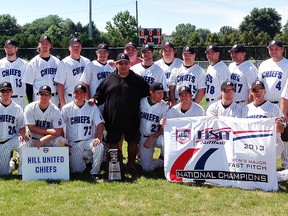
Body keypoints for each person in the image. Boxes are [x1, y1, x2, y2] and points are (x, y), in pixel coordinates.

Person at [90, 53, 150, 171]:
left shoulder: (137, 79)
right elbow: (99, 94)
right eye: (120, 63)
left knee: (132, 141)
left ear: (129, 65)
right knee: (113, 141)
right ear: (116, 65)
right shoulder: (109, 79)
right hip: (113, 117)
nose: (123, 66)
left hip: (131, 117)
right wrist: (95, 99)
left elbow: (148, 92)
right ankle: (115, 164)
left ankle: (131, 164)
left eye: (125, 63)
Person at [61, 84, 104, 180]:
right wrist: (64, 142)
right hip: (74, 143)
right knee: (76, 171)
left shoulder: (91, 107)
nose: (79, 94)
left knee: (99, 146)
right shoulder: (66, 108)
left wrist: (98, 138)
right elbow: (60, 126)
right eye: (77, 92)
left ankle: (95, 172)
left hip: (88, 141)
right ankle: (86, 162)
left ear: (85, 94)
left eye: (81, 92)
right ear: (73, 94)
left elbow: (100, 124)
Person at [242, 80, 285, 158]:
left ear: (265, 91)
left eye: (260, 90)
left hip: (271, 144)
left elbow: (281, 130)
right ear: (251, 92)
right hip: (253, 144)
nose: (258, 93)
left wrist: (278, 125)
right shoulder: (246, 109)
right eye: (255, 90)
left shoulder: (274, 108)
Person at [139, 82, 169, 172]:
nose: (161, 95)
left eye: (162, 93)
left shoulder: (164, 106)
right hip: (143, 137)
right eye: (158, 93)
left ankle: (166, 159)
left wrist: (152, 137)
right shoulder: (142, 101)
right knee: (146, 168)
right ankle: (161, 162)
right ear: (151, 93)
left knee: (166, 141)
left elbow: (163, 128)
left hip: (157, 136)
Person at [0, 81, 28, 175]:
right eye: (3, 91)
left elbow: (21, 126)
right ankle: (12, 164)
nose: (5, 93)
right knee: (3, 173)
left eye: (8, 91)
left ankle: (22, 173)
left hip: (11, 140)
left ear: (12, 92)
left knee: (25, 143)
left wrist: (22, 134)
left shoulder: (17, 108)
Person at [23, 35, 60, 106]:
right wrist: (30, 103)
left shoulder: (57, 62)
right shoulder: (33, 62)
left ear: (51, 45)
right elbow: (28, 85)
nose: (44, 45)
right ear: (39, 45)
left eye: (47, 43)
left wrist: (60, 100)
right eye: (42, 43)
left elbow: (60, 83)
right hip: (39, 97)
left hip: (54, 97)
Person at [54, 37, 91, 109]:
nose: (76, 48)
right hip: (70, 98)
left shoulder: (87, 62)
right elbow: (60, 85)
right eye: (73, 46)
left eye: (78, 46)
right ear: (69, 48)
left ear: (81, 47)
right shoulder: (64, 63)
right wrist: (62, 102)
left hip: (84, 98)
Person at [258, 40, 288, 105]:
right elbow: (259, 84)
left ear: (282, 49)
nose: (273, 51)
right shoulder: (263, 64)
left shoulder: (287, 64)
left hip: (282, 104)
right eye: (271, 49)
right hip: (265, 103)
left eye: (276, 49)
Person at [0, 39, 28, 109]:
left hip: (20, 99)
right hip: (3, 98)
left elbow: (29, 84)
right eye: (7, 47)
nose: (9, 49)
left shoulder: (24, 64)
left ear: (16, 48)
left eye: (12, 47)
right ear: (4, 48)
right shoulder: (0, 63)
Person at [205, 44, 230, 109]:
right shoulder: (210, 67)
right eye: (208, 53)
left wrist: (223, 105)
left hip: (217, 101)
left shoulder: (222, 68)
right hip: (208, 102)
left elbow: (226, 88)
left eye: (212, 53)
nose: (209, 55)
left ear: (218, 54)